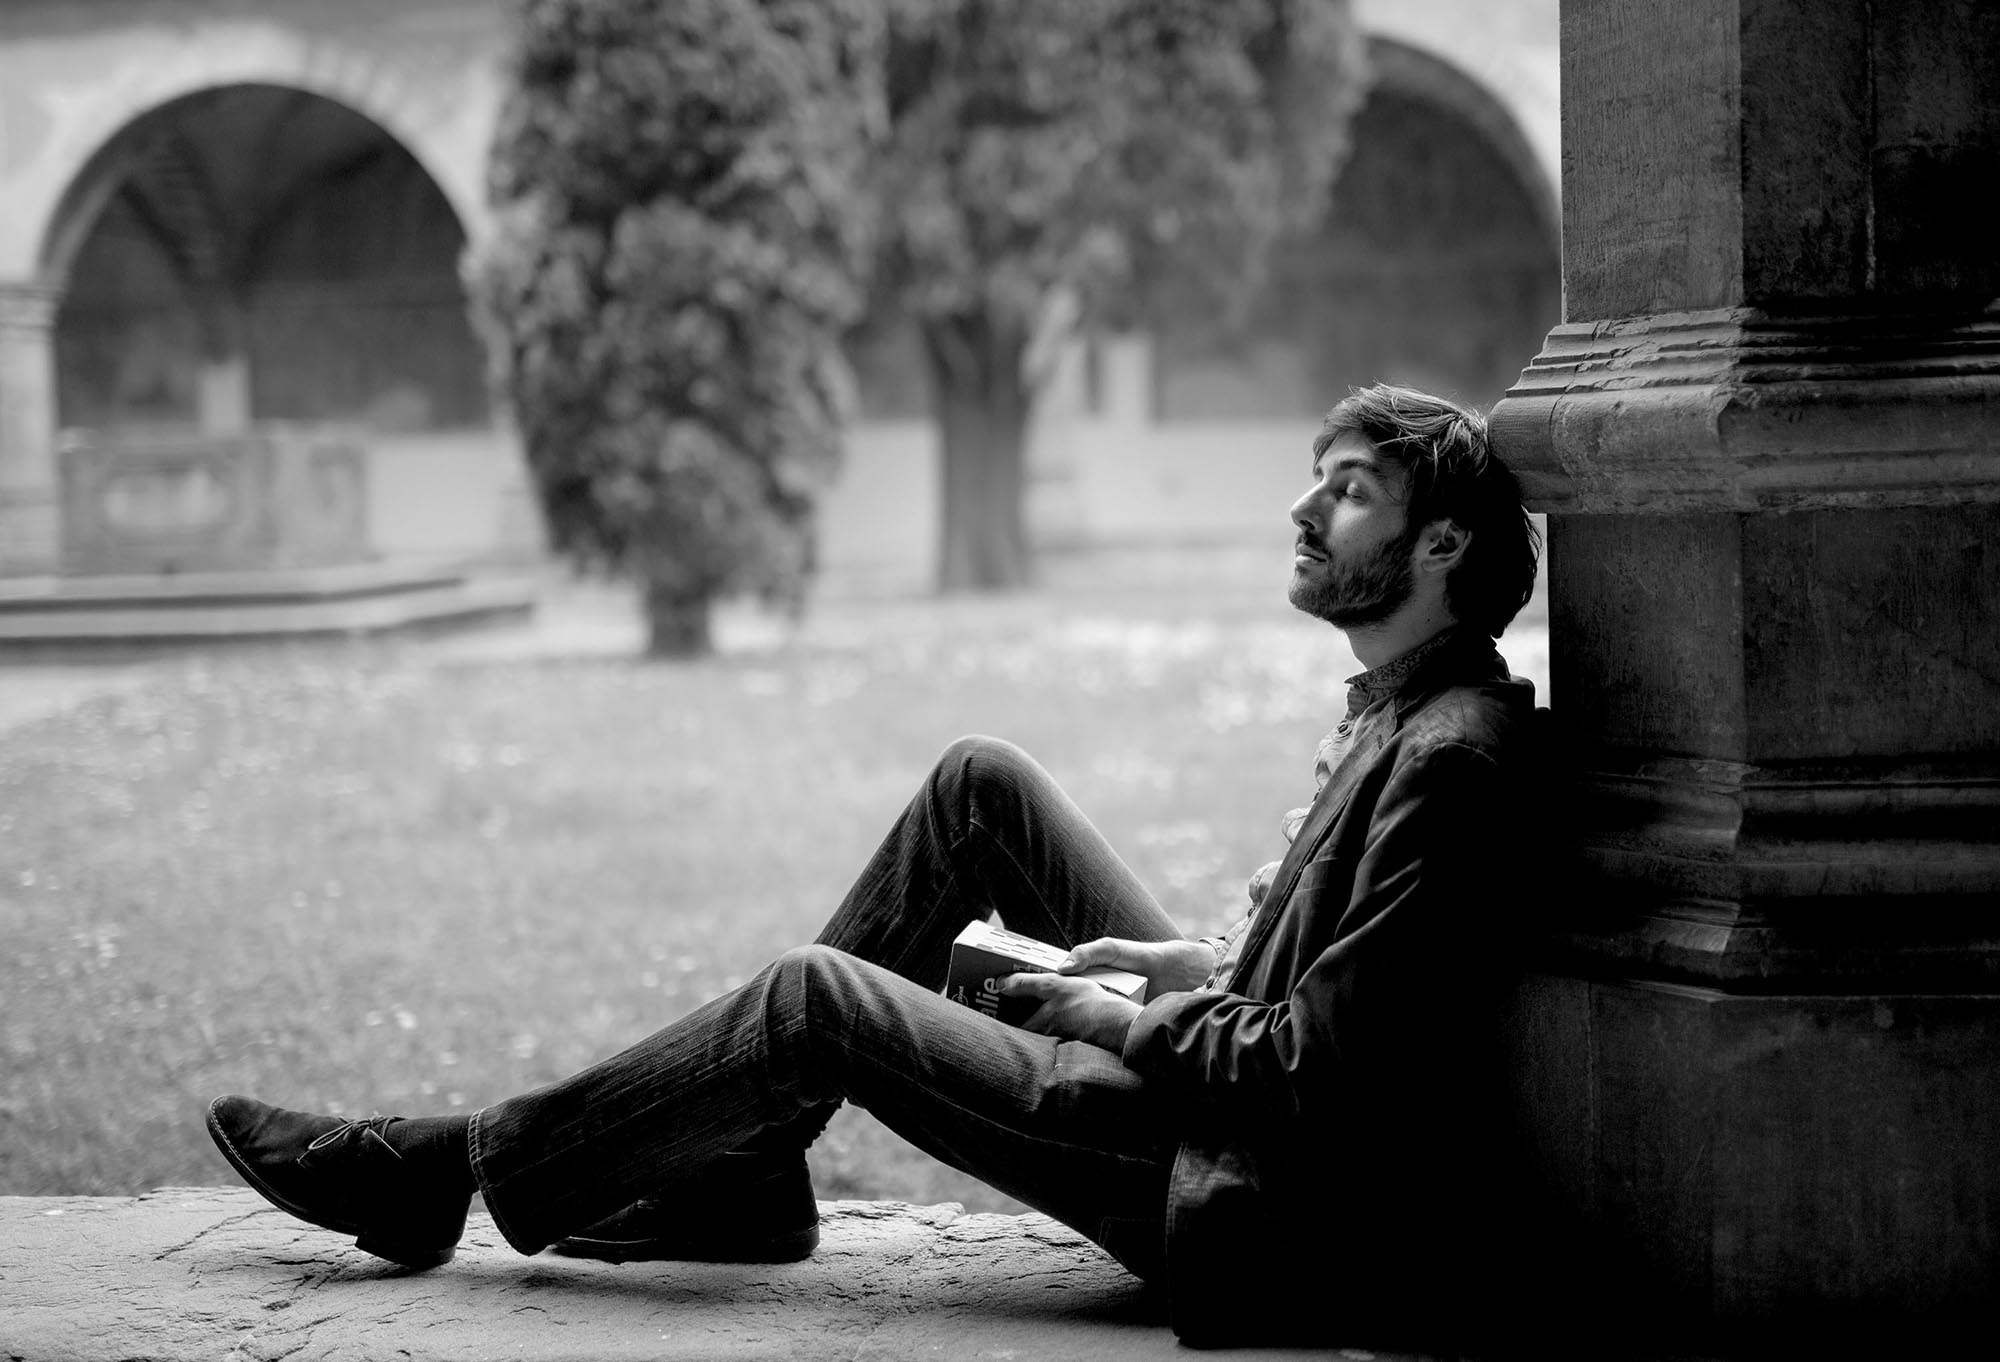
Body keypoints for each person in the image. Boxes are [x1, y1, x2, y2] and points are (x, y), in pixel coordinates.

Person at [207, 383, 1546, 1348]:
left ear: (1441, 545)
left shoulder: (1451, 760)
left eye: (1349, 491)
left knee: (814, 999)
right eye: (1319, 478)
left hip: (1234, 1182)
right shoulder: (1412, 709)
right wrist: (1183, 961)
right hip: (1221, 1076)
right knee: (982, 788)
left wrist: (1122, 1018)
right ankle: (746, 1175)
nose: (1303, 507)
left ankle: (452, 1168)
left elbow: (1318, 1068)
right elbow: (1309, 974)